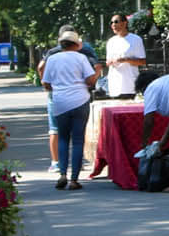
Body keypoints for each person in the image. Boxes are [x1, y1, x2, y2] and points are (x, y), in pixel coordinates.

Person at [41, 30, 97, 190]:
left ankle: (62, 174)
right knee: (78, 140)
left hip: (60, 102)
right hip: (80, 100)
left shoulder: (52, 59)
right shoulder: (81, 58)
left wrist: (58, 88)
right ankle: (74, 179)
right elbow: (90, 80)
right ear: (77, 44)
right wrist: (96, 73)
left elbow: (45, 83)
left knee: (63, 138)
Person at [103, 14, 145, 99]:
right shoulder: (111, 41)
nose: (113, 25)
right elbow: (107, 62)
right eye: (111, 22)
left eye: (116, 22)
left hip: (130, 85)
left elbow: (142, 61)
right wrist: (110, 62)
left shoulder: (136, 39)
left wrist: (125, 60)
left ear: (125, 23)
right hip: (114, 86)